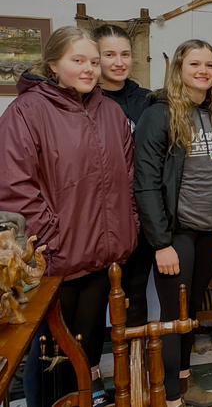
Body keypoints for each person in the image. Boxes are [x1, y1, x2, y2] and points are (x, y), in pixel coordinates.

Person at [0, 26, 138, 407]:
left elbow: (127, 178)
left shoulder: (110, 111)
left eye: (93, 61)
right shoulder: (26, 112)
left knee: (85, 347)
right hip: (55, 261)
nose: (89, 69)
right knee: (49, 355)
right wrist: (50, 242)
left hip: (102, 256)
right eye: (78, 60)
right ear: (53, 64)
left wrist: (128, 226)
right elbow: (15, 189)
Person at [134, 39, 212, 407]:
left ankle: (183, 381)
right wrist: (161, 243)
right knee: (173, 316)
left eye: (210, 65)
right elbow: (145, 182)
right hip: (176, 234)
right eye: (195, 64)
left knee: (190, 315)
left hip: (209, 233)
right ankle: (170, 397)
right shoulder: (159, 115)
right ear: (179, 68)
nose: (203, 71)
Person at [92, 24, 154, 328]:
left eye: (125, 54)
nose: (119, 62)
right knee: (93, 301)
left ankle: (135, 355)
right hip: (98, 218)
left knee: (135, 296)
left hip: (139, 216)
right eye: (109, 55)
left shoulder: (147, 100)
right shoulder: (83, 101)